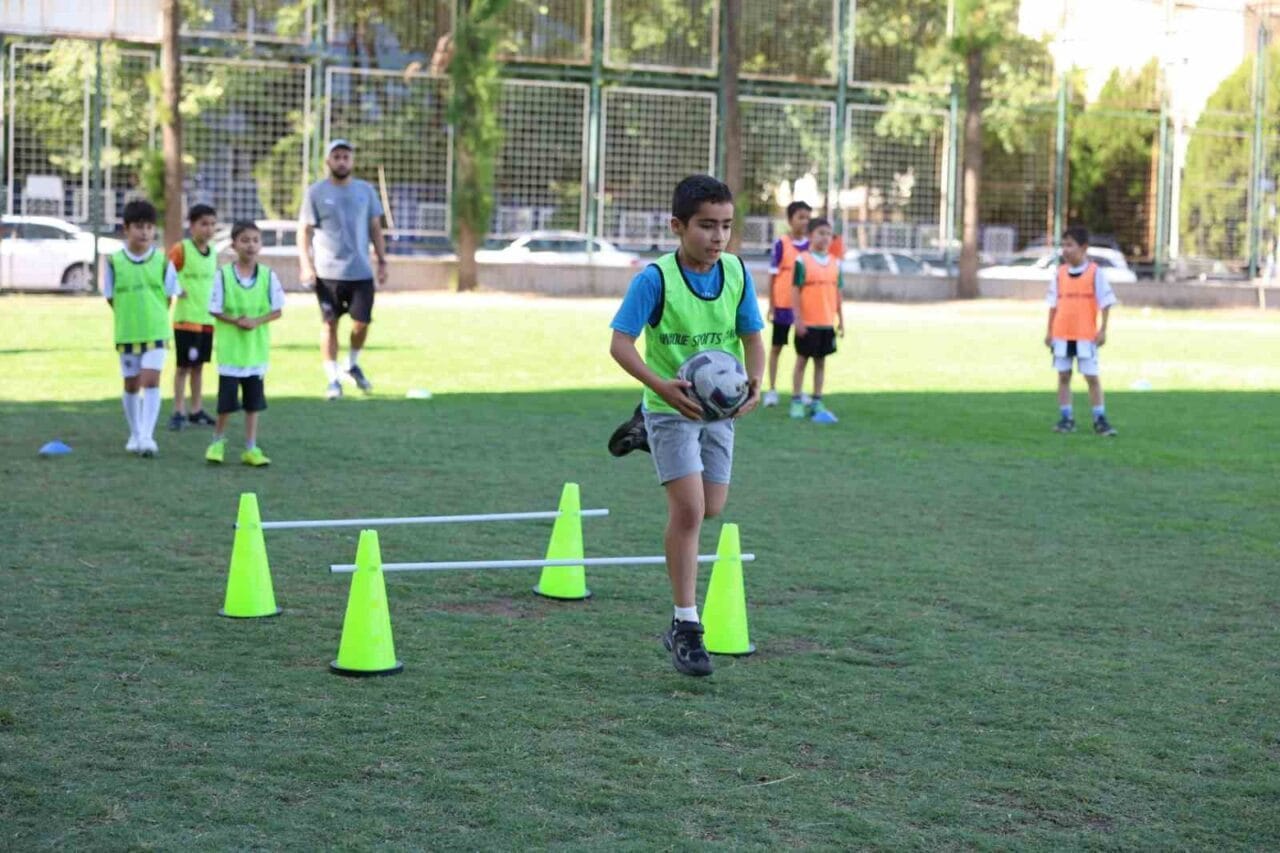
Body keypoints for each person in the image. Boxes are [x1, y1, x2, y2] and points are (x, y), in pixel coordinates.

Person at [608, 175, 765, 677]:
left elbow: (753, 337)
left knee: (713, 506)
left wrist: (756, 381)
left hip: (717, 409)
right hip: (669, 406)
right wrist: (661, 386)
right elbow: (620, 345)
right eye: (705, 226)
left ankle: (644, 439)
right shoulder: (654, 280)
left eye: (726, 226)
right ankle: (684, 624)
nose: (717, 237)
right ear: (678, 226)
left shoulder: (738, 273)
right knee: (691, 512)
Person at [299, 139, 387, 400]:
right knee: (330, 325)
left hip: (361, 271)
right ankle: (332, 379)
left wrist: (382, 260)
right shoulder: (316, 192)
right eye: (336, 156)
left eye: (346, 156)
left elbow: (375, 228)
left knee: (361, 323)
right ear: (328, 161)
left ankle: (351, 363)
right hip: (327, 274)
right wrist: (306, 264)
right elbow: (303, 231)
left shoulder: (365, 191)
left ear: (352, 161)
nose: (341, 161)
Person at [205, 221, 286, 467]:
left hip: (255, 354)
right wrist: (236, 320)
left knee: (253, 404)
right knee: (226, 404)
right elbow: (214, 308)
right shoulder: (224, 275)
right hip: (231, 354)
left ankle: (251, 447)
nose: (250, 245)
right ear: (233, 245)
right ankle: (217, 442)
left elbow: (277, 309)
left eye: (255, 240)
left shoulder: (267, 276)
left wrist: (257, 321)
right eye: (245, 240)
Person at [105, 199, 179, 458]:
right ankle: (135, 433)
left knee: (151, 379)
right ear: (126, 228)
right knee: (131, 384)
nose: (145, 232)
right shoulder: (114, 262)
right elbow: (110, 297)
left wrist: (155, 317)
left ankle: (148, 436)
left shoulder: (162, 262)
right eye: (139, 226)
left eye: (149, 227)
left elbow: (170, 295)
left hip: (156, 333)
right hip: (127, 333)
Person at [1046, 226, 1118, 436]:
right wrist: (1049, 331)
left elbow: (1106, 303)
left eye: (1070, 245)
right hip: (1062, 334)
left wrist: (1103, 329)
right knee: (1063, 376)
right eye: (1063, 245)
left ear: (1083, 248)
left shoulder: (1095, 273)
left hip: (1085, 335)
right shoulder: (1059, 274)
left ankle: (1099, 418)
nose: (1065, 250)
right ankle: (1066, 418)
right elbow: (1053, 304)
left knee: (1091, 377)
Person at [167, 203, 219, 431]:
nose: (208, 229)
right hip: (186, 319)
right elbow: (166, 273)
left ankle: (196, 410)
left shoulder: (214, 252)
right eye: (203, 224)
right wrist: (176, 289)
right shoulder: (182, 249)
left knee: (199, 366)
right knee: (183, 367)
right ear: (192, 226)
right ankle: (178, 411)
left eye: (212, 224)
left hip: (207, 320)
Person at [790, 217, 845, 421]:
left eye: (828, 234)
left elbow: (839, 292)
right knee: (802, 361)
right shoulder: (801, 260)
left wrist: (841, 319)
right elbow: (795, 290)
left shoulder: (835, 263)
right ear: (810, 235)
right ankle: (796, 400)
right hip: (807, 323)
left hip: (826, 323)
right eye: (821, 233)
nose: (825, 238)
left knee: (821, 362)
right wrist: (798, 319)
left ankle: (817, 399)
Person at [763, 200, 812, 407]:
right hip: (783, 305)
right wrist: (772, 304)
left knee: (804, 352)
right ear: (790, 220)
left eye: (808, 217)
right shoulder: (781, 244)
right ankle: (772, 389)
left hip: (805, 308)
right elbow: (773, 276)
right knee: (776, 348)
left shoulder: (812, 245)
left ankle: (798, 391)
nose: (805, 221)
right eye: (800, 217)